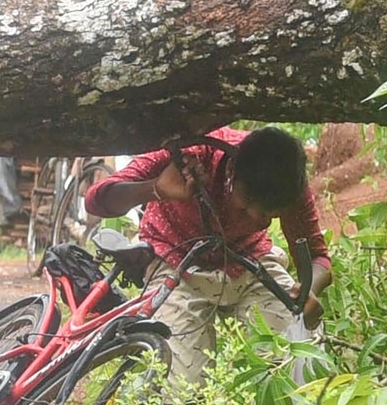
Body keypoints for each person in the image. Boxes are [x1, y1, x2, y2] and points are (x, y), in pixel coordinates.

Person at [84, 125, 333, 382]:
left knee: (300, 355)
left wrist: (308, 291)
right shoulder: (195, 153)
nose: (259, 221)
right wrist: (155, 189)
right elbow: (96, 199)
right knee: (180, 385)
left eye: (271, 217)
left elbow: (318, 257)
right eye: (247, 206)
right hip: (176, 264)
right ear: (232, 173)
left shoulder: (288, 185)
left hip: (247, 262)